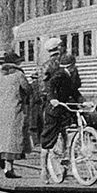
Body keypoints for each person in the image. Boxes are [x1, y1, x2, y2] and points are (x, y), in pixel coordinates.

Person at [0, 51, 32, 179]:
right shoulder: (19, 75)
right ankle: (8, 167)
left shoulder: (1, 77)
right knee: (13, 140)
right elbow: (28, 90)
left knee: (5, 140)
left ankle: (5, 163)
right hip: (15, 111)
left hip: (2, 111)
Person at [38, 53, 83, 181]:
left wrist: (82, 101)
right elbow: (50, 86)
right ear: (71, 66)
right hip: (53, 110)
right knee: (47, 141)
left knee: (65, 134)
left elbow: (74, 92)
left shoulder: (69, 75)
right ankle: (43, 170)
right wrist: (52, 99)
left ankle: (63, 160)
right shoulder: (60, 74)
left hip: (63, 109)